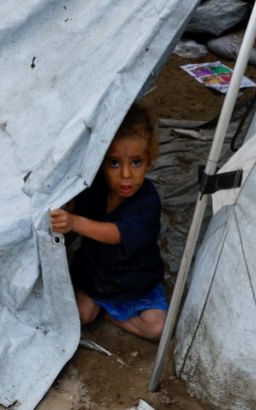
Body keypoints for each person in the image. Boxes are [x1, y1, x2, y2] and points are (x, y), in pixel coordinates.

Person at [49, 103, 167, 341]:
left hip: (138, 281)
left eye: (136, 162)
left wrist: (74, 222)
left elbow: (115, 234)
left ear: (149, 161)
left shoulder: (148, 202)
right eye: (114, 163)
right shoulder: (94, 189)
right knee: (80, 316)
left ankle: (109, 314)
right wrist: (65, 208)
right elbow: (74, 204)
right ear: (101, 163)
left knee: (157, 329)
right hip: (97, 277)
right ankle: (104, 309)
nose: (126, 175)